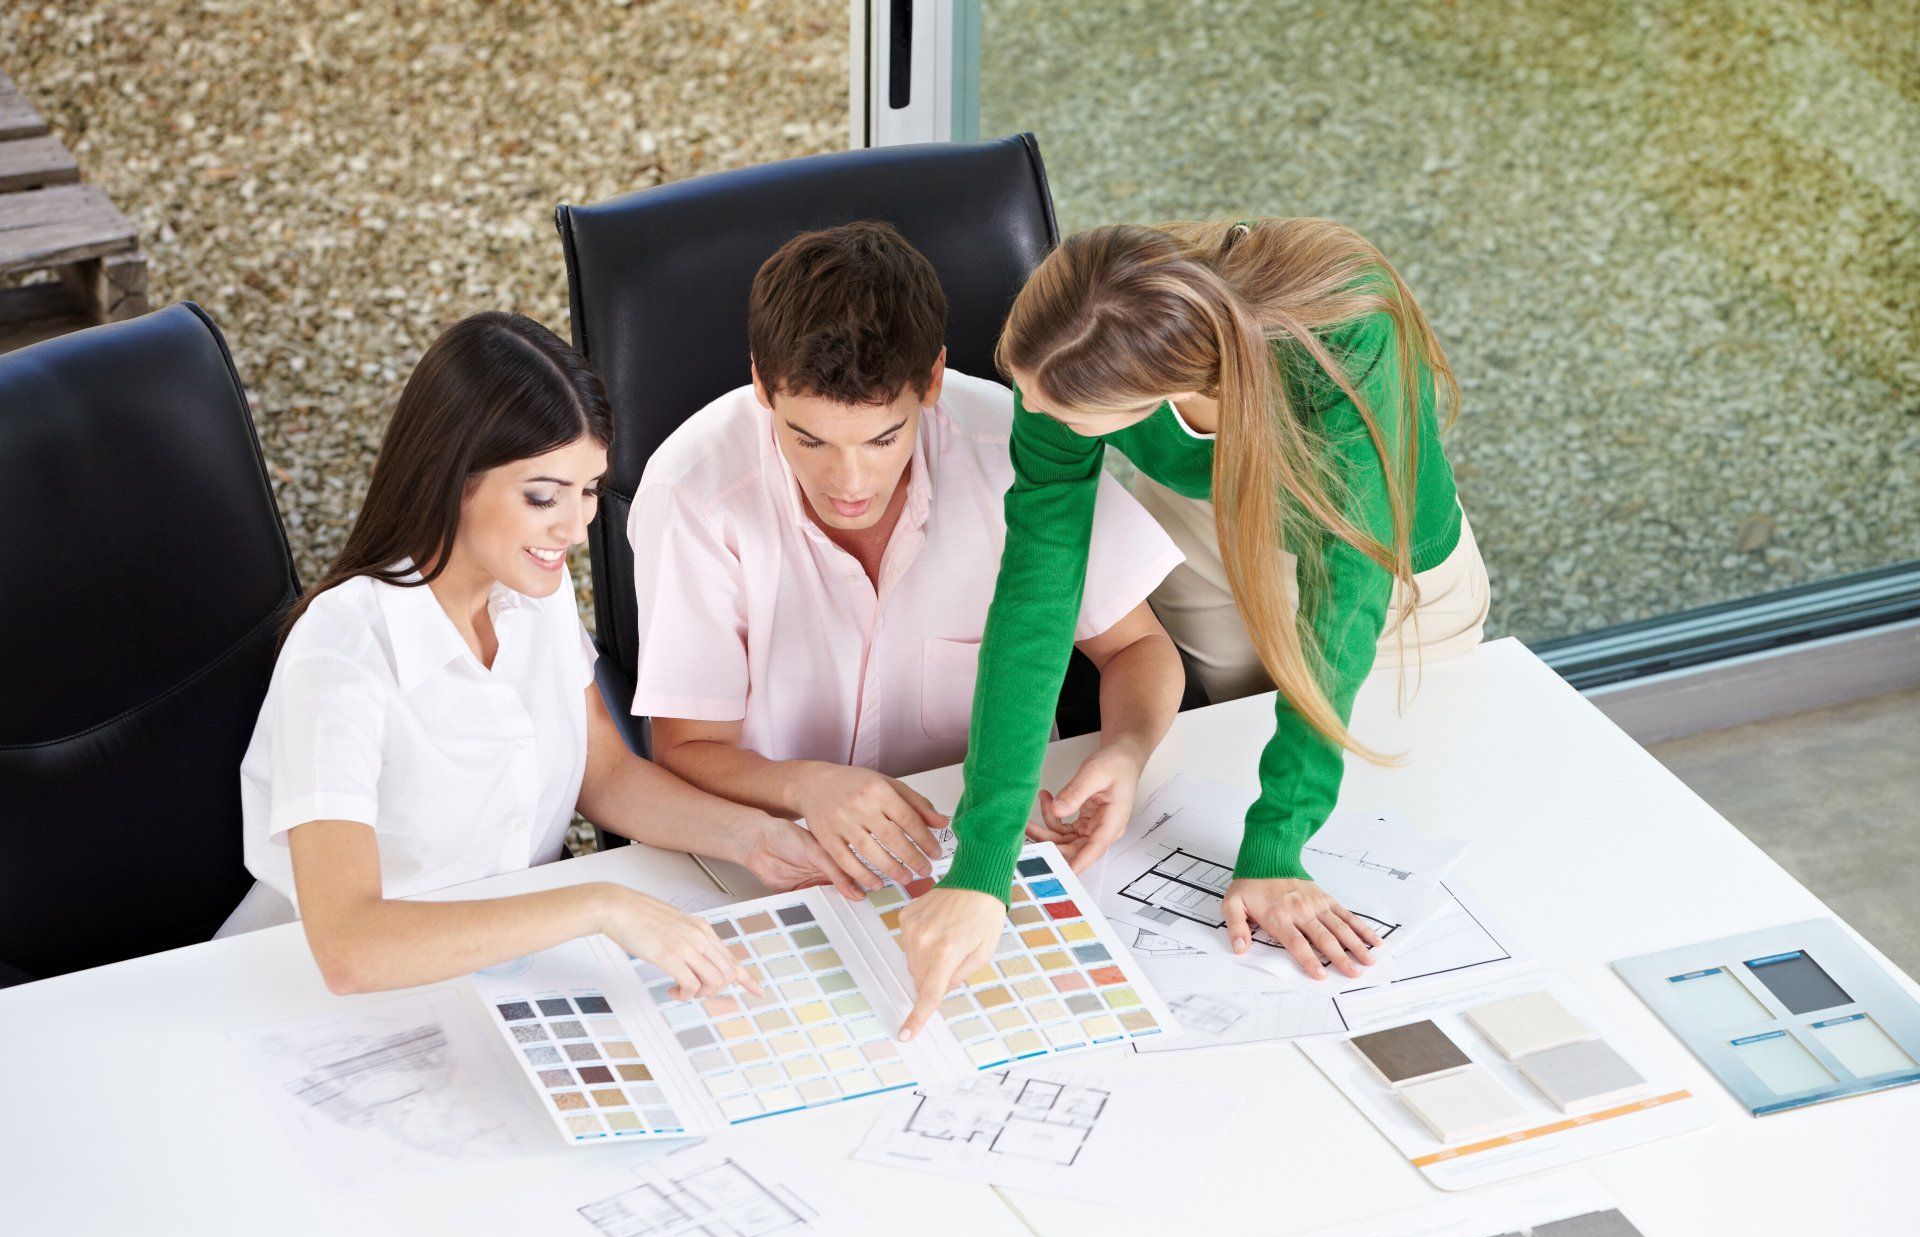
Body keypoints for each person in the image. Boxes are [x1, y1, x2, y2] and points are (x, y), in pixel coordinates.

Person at [899, 218, 1491, 1038]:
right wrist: (982, 859)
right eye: (1024, 386)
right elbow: (1037, 594)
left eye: (1058, 408)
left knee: (1398, 812)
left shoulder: (1348, 332)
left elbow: (1338, 606)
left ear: (1160, 390)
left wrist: (1275, 848)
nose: (1029, 411)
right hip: (1209, 528)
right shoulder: (1075, 345)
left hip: (1378, 564)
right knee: (1211, 758)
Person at [221, 312, 826, 1000]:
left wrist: (755, 838)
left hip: (499, 973)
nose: (575, 527)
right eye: (543, 496)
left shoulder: (531, 589)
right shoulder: (342, 657)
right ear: (453, 477)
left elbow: (605, 775)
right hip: (320, 998)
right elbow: (348, 947)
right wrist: (601, 906)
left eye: (589, 489)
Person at [628, 221, 1187, 897]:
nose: (849, 482)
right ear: (761, 385)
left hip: (990, 829)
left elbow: (1136, 648)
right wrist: (808, 786)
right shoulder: (694, 491)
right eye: (808, 441)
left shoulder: (1016, 450)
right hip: (783, 851)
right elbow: (684, 748)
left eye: (881, 439)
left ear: (931, 381)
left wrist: (1125, 751)